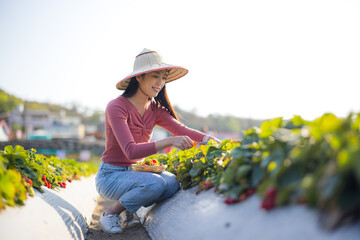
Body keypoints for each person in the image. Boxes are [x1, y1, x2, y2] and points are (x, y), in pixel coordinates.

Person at [95, 48, 219, 234]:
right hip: (111, 176)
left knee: (172, 182)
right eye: (155, 76)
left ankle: (128, 212)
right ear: (139, 77)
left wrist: (211, 140)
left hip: (134, 173)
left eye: (163, 77)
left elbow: (181, 129)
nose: (160, 83)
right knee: (155, 184)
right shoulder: (116, 107)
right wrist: (169, 141)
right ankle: (111, 214)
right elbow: (130, 151)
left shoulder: (155, 109)